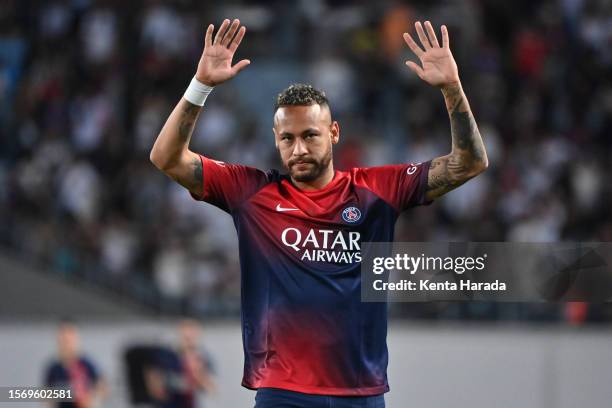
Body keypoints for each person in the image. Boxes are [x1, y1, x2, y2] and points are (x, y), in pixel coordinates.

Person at [150, 18, 488, 408]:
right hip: (283, 393)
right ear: (276, 140)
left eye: (310, 135)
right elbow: (166, 158)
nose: (298, 150)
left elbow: (469, 163)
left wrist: (451, 88)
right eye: (287, 139)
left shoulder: (377, 190)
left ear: (334, 133)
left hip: (360, 394)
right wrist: (201, 85)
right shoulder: (252, 192)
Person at [144, 319, 216, 408]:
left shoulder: (202, 357)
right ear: (179, 336)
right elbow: (154, 388)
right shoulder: (166, 356)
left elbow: (211, 389)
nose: (189, 342)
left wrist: (197, 374)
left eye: (192, 338)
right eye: (186, 338)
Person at [44, 320, 107, 408]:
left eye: (69, 336)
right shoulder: (53, 368)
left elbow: (102, 388)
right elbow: (47, 397)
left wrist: (92, 399)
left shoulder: (86, 364)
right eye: (63, 336)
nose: (66, 340)